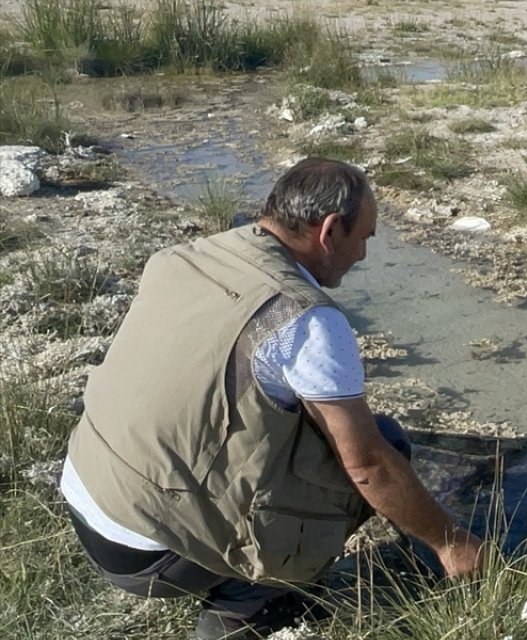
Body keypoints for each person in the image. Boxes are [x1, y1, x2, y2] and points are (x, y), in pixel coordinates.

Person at [60, 158, 484, 640]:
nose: (364, 254)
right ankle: (243, 611)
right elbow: (368, 465)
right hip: (147, 550)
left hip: (86, 494)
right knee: (386, 442)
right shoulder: (304, 318)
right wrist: (452, 544)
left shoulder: (187, 256)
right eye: (364, 237)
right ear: (329, 231)